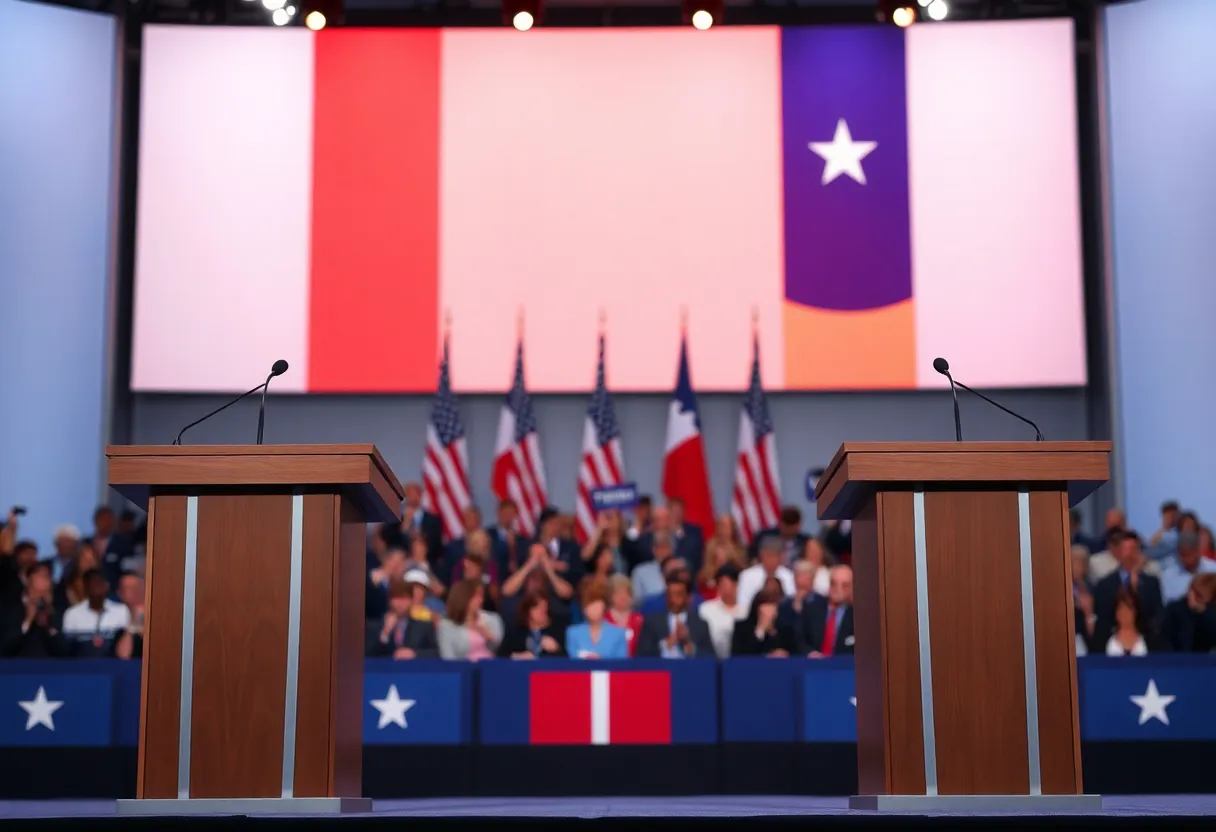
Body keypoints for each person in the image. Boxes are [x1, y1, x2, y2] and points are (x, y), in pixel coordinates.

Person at [636, 575, 714, 658]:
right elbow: (642, 655)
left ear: (688, 598)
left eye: (678, 595)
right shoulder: (651, 622)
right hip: (661, 669)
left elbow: (710, 657)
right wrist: (666, 644)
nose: (673, 599)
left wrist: (688, 645)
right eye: (670, 595)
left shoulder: (700, 624)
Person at [0, 566, 69, 657]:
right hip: (18, 667)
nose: (44, 581)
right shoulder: (10, 608)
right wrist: (28, 621)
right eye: (40, 576)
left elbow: (64, 651)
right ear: (28, 579)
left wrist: (48, 626)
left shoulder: (58, 611)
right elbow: (6, 648)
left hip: (49, 667)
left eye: (47, 577)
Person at [62, 568, 130, 656]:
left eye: (100, 583)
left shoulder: (121, 611)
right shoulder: (72, 614)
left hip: (113, 665)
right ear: (85, 587)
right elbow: (67, 648)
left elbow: (125, 646)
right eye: (93, 583)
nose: (97, 587)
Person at [367, 578, 439, 659]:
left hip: (412, 670)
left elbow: (436, 652)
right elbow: (367, 655)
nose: (400, 603)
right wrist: (385, 633)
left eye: (404, 598)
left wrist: (415, 654)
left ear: (412, 600)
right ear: (390, 601)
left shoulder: (423, 627)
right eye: (396, 598)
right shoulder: (374, 627)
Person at [437, 578, 503, 661]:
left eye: (482, 596)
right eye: (477, 596)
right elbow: (448, 657)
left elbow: (499, 649)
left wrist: (486, 634)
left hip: (489, 669)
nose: (481, 600)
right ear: (464, 598)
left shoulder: (492, 619)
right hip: (462, 670)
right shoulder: (446, 626)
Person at [565, 576, 628, 659]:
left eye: (596, 604)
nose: (592, 609)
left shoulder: (619, 634)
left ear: (604, 605)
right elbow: (572, 665)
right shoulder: (573, 633)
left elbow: (622, 666)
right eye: (588, 604)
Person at [803, 565, 855, 657]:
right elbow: (799, 638)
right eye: (833, 583)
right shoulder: (812, 608)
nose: (837, 589)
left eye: (844, 585)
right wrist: (810, 652)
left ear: (852, 589)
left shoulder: (857, 617)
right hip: (813, 666)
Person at [731, 586, 797, 657]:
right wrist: (760, 631)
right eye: (767, 605)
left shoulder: (786, 630)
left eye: (773, 605)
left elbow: (795, 654)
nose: (770, 610)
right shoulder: (741, 628)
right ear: (757, 608)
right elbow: (738, 656)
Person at [698, 566, 747, 658]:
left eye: (730, 584)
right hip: (713, 659)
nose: (727, 588)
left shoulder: (746, 611)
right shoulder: (706, 609)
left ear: (737, 585)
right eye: (723, 584)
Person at [499, 591, 566, 659]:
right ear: (527, 610)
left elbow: (567, 661)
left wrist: (556, 649)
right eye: (537, 607)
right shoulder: (515, 631)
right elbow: (500, 656)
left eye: (545, 607)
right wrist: (517, 656)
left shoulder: (556, 630)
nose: (542, 611)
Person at [737, 536, 795, 613]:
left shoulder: (789, 576)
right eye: (768, 556)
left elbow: (790, 602)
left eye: (774, 556)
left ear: (781, 557)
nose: (771, 560)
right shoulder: (747, 576)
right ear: (761, 556)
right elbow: (743, 603)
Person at [1159, 531, 1216, 604]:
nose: (1187, 560)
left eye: (1189, 554)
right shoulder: (1168, 575)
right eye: (1183, 555)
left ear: (1198, 550)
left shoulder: (1213, 568)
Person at [605, 574, 643, 656]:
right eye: (618, 593)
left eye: (626, 593)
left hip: (636, 665)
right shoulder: (604, 620)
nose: (623, 597)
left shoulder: (640, 620)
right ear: (610, 596)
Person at [1105, 588, 1149, 656]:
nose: (1125, 614)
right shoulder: (1107, 641)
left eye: (1129, 609)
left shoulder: (1148, 640)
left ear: (1136, 612)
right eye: (1121, 609)